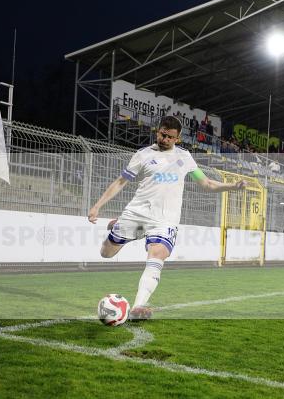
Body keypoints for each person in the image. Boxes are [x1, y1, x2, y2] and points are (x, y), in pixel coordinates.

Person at [87, 116, 246, 319]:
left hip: (164, 219)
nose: (165, 139)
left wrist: (232, 186)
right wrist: (97, 206)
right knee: (106, 253)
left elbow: (206, 184)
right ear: (157, 132)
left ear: (178, 138)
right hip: (137, 212)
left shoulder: (185, 157)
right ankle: (122, 226)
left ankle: (138, 306)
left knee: (157, 255)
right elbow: (120, 182)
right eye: (163, 135)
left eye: (170, 137)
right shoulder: (142, 155)